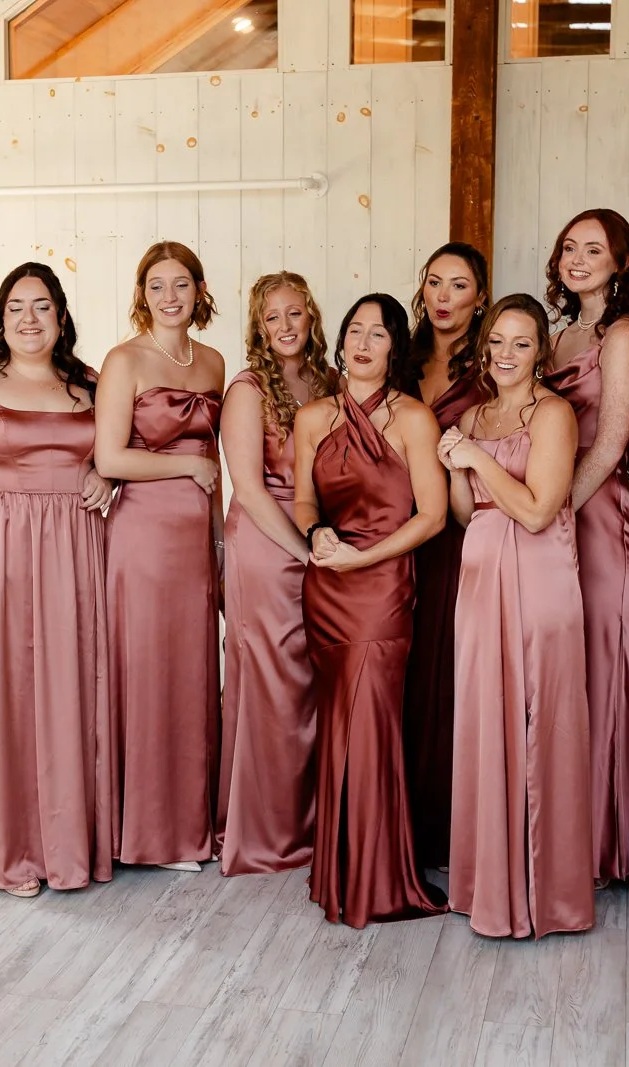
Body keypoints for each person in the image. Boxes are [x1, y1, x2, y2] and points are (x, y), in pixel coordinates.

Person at [0, 262, 114, 898]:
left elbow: (117, 455)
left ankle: (64, 844)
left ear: (61, 316)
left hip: (71, 553)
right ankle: (0, 849)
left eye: (41, 306)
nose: (29, 319)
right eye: (16, 307)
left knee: (68, 692)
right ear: (0, 317)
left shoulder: (91, 383)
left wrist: (108, 477)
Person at [441, 293, 594, 939]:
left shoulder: (555, 414)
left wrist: (475, 459)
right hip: (480, 576)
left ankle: (546, 893)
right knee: (485, 719)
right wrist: (454, 462)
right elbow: (461, 512)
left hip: (538, 576)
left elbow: (537, 510)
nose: (505, 354)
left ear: (541, 352)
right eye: (497, 341)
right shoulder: (474, 414)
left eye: (521, 343)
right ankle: (489, 884)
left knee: (542, 721)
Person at [293, 293, 447, 927]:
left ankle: (379, 876)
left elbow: (434, 517)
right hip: (327, 587)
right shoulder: (312, 418)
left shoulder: (414, 418)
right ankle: (340, 869)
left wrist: (366, 559)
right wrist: (316, 536)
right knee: (337, 722)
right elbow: (305, 503)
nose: (362, 342)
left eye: (377, 335)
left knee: (373, 723)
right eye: (354, 330)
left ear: (395, 348)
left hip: (384, 589)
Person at [94, 240, 226, 870]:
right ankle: (144, 833)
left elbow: (218, 468)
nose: (169, 297)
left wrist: (221, 542)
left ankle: (184, 823)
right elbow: (109, 458)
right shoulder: (125, 360)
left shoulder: (214, 363)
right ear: (141, 294)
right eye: (157, 286)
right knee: (146, 673)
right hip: (142, 537)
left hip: (195, 537)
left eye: (181, 285)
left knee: (192, 673)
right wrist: (187, 465)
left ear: (199, 292)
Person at [543, 208, 629, 886]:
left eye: (594, 249)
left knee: (601, 677)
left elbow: (610, 444)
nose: (577, 259)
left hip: (596, 517)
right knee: (562, 680)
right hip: (553, 513)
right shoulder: (557, 337)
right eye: (567, 248)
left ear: (621, 263)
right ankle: (561, 834)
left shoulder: (624, 335)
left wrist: (553, 516)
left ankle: (605, 845)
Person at [217, 272, 337, 875]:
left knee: (315, 683)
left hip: (322, 541)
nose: (286, 327)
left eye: (295, 314)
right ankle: (266, 831)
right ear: (258, 326)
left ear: (311, 317)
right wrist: (301, 547)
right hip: (267, 546)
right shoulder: (246, 389)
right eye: (273, 318)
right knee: (272, 683)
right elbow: (248, 488)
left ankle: (312, 821)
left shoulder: (328, 381)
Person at [398, 242, 492, 869]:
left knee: (452, 674)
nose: (443, 297)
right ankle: (401, 825)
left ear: (479, 298)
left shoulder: (491, 369)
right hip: (393, 535)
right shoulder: (397, 359)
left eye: (458, 286)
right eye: (435, 282)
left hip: (459, 537)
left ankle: (456, 828)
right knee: (400, 677)